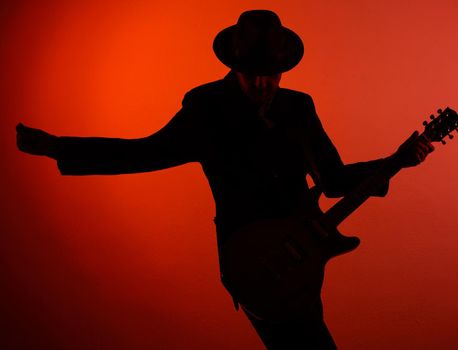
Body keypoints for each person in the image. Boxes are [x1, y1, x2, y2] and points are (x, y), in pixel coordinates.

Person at [16, 10, 434, 350]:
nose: (262, 83)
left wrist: (395, 161)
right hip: (253, 261)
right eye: (251, 72)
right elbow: (144, 153)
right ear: (234, 66)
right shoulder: (206, 109)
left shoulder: (298, 108)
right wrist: (60, 148)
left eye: (271, 73)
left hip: (304, 255)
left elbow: (335, 180)